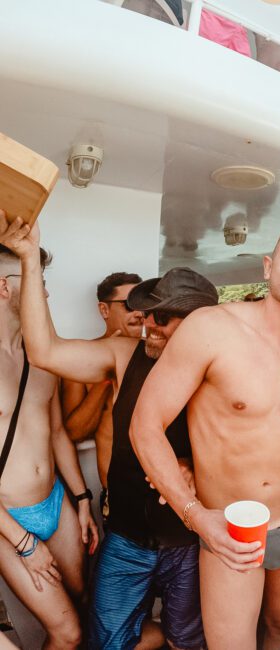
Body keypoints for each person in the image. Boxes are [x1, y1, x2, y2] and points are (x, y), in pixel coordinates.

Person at [0, 214, 213, 649]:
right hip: (127, 535)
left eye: (165, 317)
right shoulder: (124, 352)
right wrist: (28, 257)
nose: (148, 324)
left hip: (189, 538)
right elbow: (45, 351)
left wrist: (194, 465)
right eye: (147, 313)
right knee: (105, 641)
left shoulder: (219, 371)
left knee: (187, 637)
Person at [130, 218, 280, 650]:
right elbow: (145, 426)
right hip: (228, 528)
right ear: (268, 266)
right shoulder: (211, 327)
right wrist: (196, 515)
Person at [0, 221, 98, 649]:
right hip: (6, 521)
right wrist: (24, 543)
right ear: (4, 288)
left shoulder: (42, 355)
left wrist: (80, 500)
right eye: (33, 279)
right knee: (68, 632)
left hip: (55, 502)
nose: (44, 291)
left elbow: (57, 431)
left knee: (82, 602)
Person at [60, 272, 143, 491]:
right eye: (129, 305)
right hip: (118, 497)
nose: (139, 313)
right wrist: (105, 378)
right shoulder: (81, 359)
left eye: (142, 304)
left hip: (165, 493)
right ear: (104, 310)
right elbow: (75, 432)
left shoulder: (157, 355)